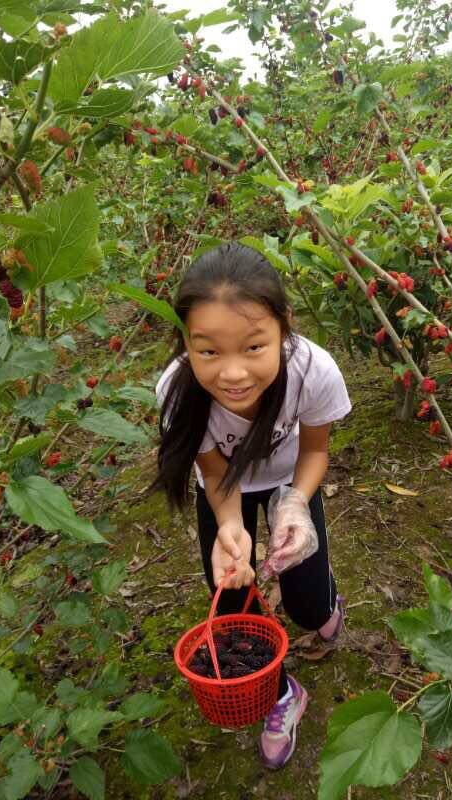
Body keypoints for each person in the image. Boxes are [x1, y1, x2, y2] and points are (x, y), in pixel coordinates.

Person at [150, 241, 352, 769]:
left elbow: (314, 449)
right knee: (236, 602)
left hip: (291, 481)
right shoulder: (176, 390)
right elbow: (215, 471)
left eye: (253, 347)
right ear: (186, 343)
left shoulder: (313, 370)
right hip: (224, 489)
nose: (233, 373)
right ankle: (283, 694)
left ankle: (327, 604)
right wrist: (229, 526)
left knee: (307, 606)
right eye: (209, 351)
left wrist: (297, 505)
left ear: (284, 328)